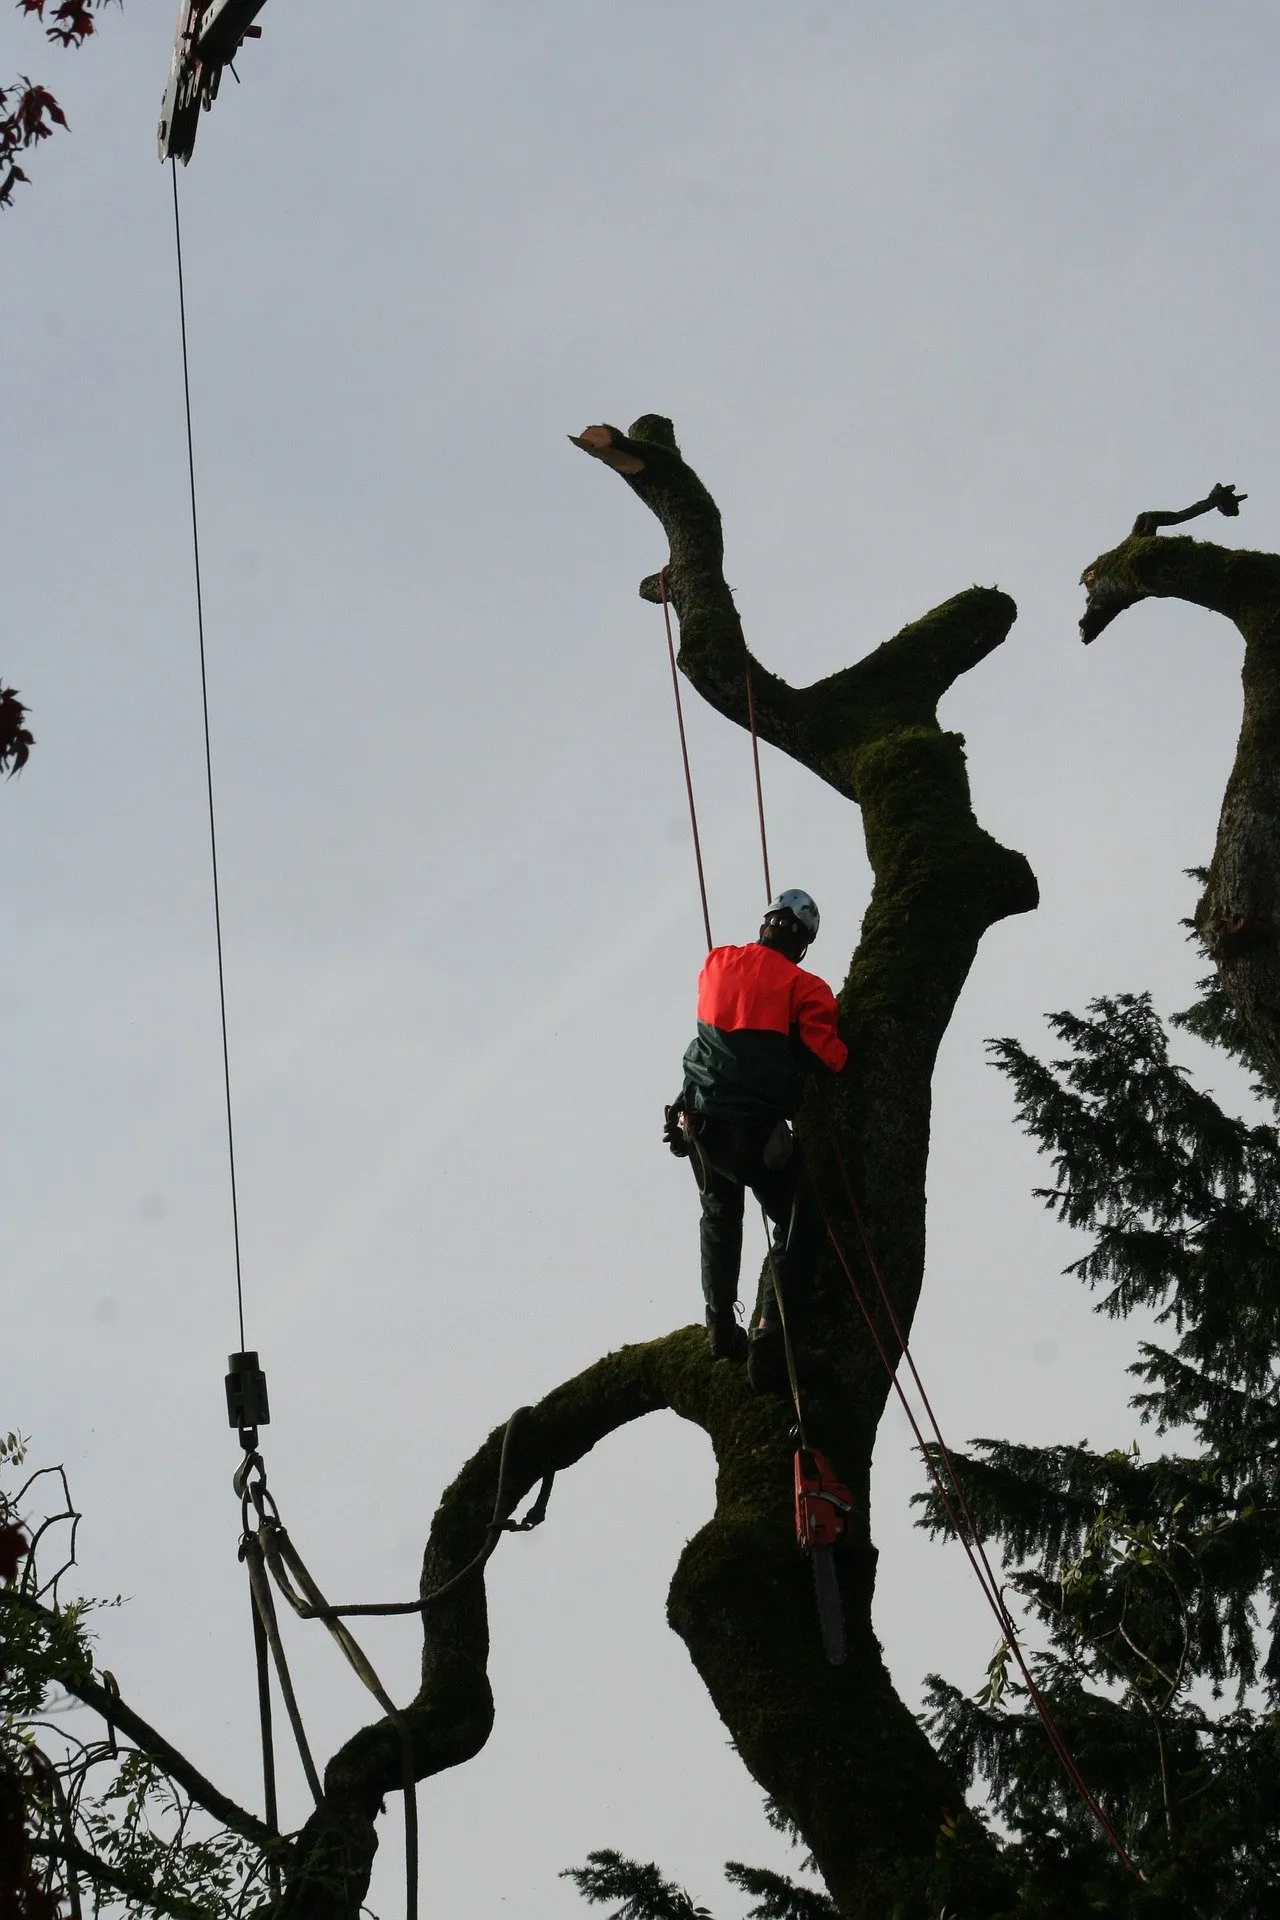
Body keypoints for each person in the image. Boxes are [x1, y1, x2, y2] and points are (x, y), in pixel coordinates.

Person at [664, 890, 848, 1392]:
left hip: (698, 1125)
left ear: (766, 923)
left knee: (720, 1218)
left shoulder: (717, 962)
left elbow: (713, 1043)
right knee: (802, 1222)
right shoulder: (806, 986)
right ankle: (770, 1342)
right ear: (803, 944)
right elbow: (828, 1057)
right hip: (751, 1136)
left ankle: (720, 1326)